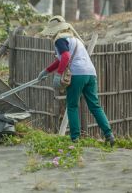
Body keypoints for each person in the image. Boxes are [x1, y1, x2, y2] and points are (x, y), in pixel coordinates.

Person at [37, 16, 115, 146]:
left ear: (53, 30)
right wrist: (46, 71)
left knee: (72, 106)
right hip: (90, 74)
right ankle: (109, 134)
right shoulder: (74, 39)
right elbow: (61, 59)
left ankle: (75, 138)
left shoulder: (60, 40)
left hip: (77, 74)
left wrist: (58, 75)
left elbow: (66, 57)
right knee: (95, 106)